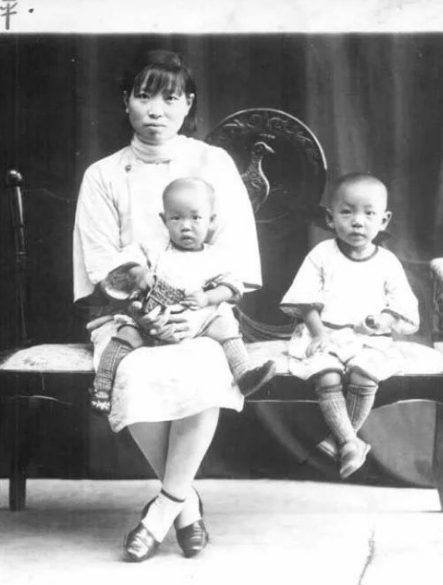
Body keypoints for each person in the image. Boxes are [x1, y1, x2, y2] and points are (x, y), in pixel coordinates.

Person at [73, 49, 262, 562]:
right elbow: (102, 264)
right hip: (128, 315)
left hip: (205, 312)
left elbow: (234, 254)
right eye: (144, 96)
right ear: (125, 102)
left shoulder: (212, 163)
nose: (156, 110)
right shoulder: (103, 175)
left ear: (188, 104)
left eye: (170, 98)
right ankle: (185, 504)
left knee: (205, 366)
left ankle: (163, 509)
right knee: (133, 370)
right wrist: (147, 312)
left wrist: (195, 315)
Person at [88, 176, 277, 414]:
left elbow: (232, 287)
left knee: (224, 325)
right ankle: (102, 386)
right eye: (176, 218)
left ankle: (243, 374)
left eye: (195, 218)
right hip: (151, 318)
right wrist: (139, 272)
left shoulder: (214, 257)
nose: (186, 226)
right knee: (125, 333)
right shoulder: (153, 249)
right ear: (164, 219)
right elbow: (124, 264)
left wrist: (208, 297)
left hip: (196, 321)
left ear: (211, 220)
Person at [279, 173, 420, 479]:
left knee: (365, 374)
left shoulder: (387, 262)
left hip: (368, 340)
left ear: (384, 220)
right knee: (326, 375)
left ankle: (342, 441)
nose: (358, 222)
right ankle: (351, 442)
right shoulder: (321, 255)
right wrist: (318, 333)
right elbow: (305, 300)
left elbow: (400, 305)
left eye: (369, 214)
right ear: (330, 218)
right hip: (324, 333)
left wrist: (381, 321)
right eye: (347, 212)